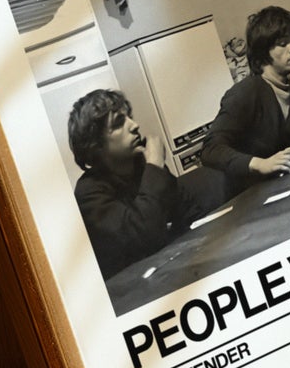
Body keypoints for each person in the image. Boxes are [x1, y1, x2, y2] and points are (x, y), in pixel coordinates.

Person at [70, 89, 218, 279]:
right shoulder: (89, 193)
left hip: (172, 266)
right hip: (135, 287)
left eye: (129, 118)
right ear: (95, 145)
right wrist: (155, 165)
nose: (135, 125)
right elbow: (143, 236)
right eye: (119, 123)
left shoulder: (141, 165)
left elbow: (185, 209)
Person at [200, 5, 290, 194]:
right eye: (283, 43)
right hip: (252, 200)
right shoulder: (246, 93)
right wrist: (261, 164)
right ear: (264, 50)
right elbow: (211, 149)